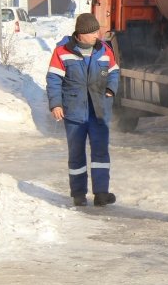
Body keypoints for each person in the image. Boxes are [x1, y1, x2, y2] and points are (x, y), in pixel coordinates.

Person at [46, 13, 120, 207]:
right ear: (81, 34)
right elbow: (53, 80)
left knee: (101, 154)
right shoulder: (62, 51)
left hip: (99, 110)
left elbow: (114, 72)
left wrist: (111, 89)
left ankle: (101, 193)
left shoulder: (104, 49)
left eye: (97, 30)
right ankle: (79, 194)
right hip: (74, 111)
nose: (97, 34)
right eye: (93, 32)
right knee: (77, 153)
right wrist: (55, 104)